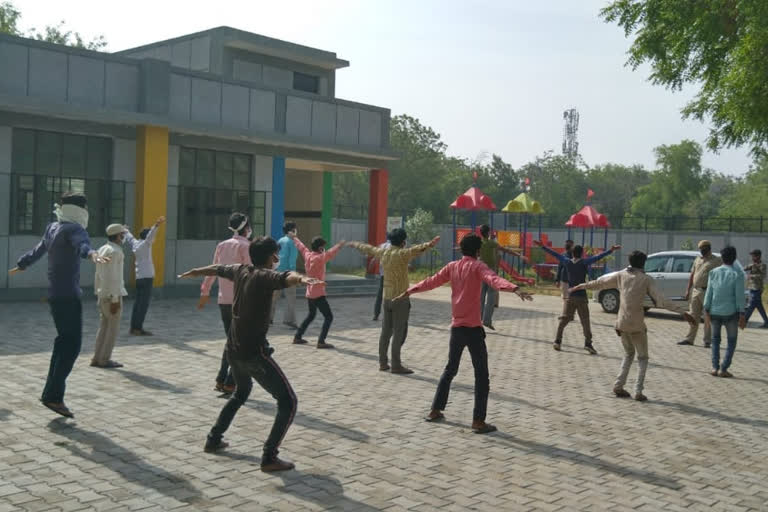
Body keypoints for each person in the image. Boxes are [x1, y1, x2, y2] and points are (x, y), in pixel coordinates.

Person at [178, 236, 321, 472]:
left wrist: (195, 271)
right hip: (253, 355)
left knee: (240, 393)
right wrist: (303, 278)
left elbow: (217, 268)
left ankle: (214, 439)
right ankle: (269, 456)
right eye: (275, 254)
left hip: (233, 351)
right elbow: (286, 277)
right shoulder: (264, 276)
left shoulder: (241, 270)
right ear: (268, 257)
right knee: (288, 401)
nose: (277, 258)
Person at [396, 233, 533, 433]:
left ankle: (435, 410)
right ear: (478, 251)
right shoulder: (478, 266)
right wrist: (514, 288)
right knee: (481, 376)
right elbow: (493, 279)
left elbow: (431, 281)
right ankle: (478, 421)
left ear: (461, 250)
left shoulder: (452, 267)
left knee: (450, 370)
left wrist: (411, 290)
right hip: (473, 330)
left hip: (457, 328)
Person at [8, 192, 108, 418]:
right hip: (68, 297)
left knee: (63, 343)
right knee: (71, 346)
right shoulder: (74, 229)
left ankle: (51, 394)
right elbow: (82, 246)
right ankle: (52, 396)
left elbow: (38, 250)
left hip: (56, 296)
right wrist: (92, 254)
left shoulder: (53, 228)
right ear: (82, 210)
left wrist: (22, 264)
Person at [569, 251, 695, 401]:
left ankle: (618, 386)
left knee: (628, 354)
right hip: (636, 324)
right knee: (643, 358)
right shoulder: (646, 279)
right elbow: (661, 301)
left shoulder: (621, 275)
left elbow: (600, 283)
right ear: (643, 263)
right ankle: (638, 391)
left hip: (621, 323)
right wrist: (683, 312)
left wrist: (581, 286)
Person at [349, 229, 440, 374]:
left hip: (387, 297)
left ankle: (383, 362)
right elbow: (416, 250)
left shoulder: (383, 253)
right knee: (399, 332)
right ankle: (396, 364)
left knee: (385, 332)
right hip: (401, 298)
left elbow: (369, 249)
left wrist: (355, 244)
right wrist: (430, 244)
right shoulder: (402, 254)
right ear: (403, 241)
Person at [535, 240, 620, 354]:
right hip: (581, 297)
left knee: (564, 319)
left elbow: (555, 254)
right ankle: (588, 344)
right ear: (582, 253)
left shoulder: (567, 262)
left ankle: (557, 341)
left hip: (570, 296)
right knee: (585, 321)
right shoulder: (584, 262)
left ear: (572, 253)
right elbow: (598, 257)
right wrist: (611, 250)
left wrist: (543, 246)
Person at [199, 213, 252, 394]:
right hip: (241, 301)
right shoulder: (246, 246)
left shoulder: (221, 246)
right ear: (246, 228)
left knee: (231, 341)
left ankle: (221, 379)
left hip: (224, 301)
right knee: (239, 343)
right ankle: (230, 381)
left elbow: (213, 269)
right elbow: (251, 274)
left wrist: (205, 291)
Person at [292, 235, 345, 348]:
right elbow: (330, 253)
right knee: (329, 317)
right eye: (323, 247)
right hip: (318, 293)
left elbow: (301, 247)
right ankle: (321, 341)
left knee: (311, 315)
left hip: (310, 292)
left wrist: (294, 238)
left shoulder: (308, 255)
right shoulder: (320, 258)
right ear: (320, 248)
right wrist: (339, 245)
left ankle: (298, 336)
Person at [703, 246, 746, 378]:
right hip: (731, 313)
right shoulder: (737, 274)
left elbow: (709, 292)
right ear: (734, 258)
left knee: (715, 340)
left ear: (722, 258)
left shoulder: (714, 272)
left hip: (714, 311)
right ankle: (724, 368)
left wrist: (706, 308)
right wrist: (742, 313)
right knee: (731, 341)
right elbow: (739, 296)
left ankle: (714, 367)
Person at [91, 224, 129, 369]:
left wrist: (99, 293)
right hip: (112, 295)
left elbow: (98, 275)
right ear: (118, 236)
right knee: (112, 330)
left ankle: (96, 357)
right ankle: (104, 359)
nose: (123, 237)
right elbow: (114, 277)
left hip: (102, 294)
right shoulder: (116, 252)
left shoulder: (102, 249)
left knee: (103, 328)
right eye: (122, 235)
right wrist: (114, 299)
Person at [478, 224, 527, 330]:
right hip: (491, 272)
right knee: (491, 296)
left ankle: (479, 319)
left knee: (481, 296)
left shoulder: (479, 243)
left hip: (480, 272)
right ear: (488, 233)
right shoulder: (491, 243)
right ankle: (486, 320)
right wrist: (519, 255)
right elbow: (505, 250)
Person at [125, 216, 165, 336]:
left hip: (139, 277)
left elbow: (130, 238)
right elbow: (150, 236)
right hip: (146, 278)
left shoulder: (136, 245)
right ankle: (137, 328)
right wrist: (156, 225)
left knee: (138, 304)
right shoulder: (146, 245)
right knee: (143, 305)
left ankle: (134, 327)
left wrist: (125, 230)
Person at [678, 240, 722, 347]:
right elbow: (693, 275)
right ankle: (690, 339)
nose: (702, 251)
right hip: (695, 291)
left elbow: (720, 277)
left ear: (708, 248)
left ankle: (707, 341)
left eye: (703, 249)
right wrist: (688, 290)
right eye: (700, 249)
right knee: (693, 315)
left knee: (707, 317)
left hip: (708, 291)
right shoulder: (698, 259)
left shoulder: (716, 260)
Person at [271, 222, 300, 328]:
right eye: (295, 229)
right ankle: (289, 320)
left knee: (273, 297)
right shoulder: (293, 242)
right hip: (288, 273)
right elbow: (292, 259)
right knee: (290, 297)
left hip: (277, 271)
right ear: (292, 231)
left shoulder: (280, 240)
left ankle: (269, 318)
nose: (296, 231)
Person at [743, 249, 768, 328]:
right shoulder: (753, 265)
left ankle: (744, 321)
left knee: (751, 305)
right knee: (759, 306)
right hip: (751, 288)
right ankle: (767, 322)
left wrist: (751, 276)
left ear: (758, 256)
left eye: (753, 256)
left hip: (757, 288)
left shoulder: (762, 265)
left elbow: (762, 276)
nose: (752, 258)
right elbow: (744, 268)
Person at [371, 234, 391, 322]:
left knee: (380, 294)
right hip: (391, 274)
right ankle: (389, 315)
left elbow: (375, 257)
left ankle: (376, 314)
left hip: (383, 274)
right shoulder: (394, 246)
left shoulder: (382, 245)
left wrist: (372, 262)